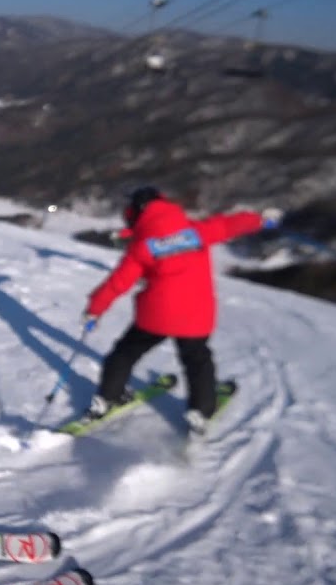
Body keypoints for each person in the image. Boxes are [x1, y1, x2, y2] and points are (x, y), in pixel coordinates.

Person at [80, 185, 282, 434]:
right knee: (197, 360)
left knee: (124, 353)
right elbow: (231, 224)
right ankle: (201, 410)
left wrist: (94, 310)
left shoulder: (142, 247)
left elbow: (117, 283)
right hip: (194, 316)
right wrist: (261, 220)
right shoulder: (197, 232)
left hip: (155, 316)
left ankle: (108, 398)